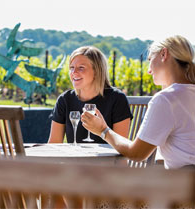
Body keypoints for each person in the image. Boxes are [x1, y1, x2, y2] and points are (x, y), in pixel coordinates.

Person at [81, 35, 195, 169]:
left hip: (183, 187)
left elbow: (137, 154)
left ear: (164, 53)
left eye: (150, 60)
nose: (149, 70)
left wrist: (103, 130)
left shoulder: (167, 99)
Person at [49, 46, 133, 144]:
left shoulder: (117, 99)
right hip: (74, 159)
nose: (74, 72)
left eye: (81, 68)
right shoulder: (65, 100)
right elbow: (54, 143)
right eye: (71, 68)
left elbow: (122, 146)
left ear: (97, 71)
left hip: (107, 159)